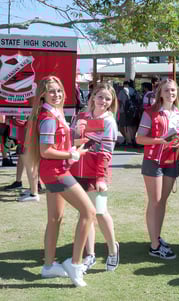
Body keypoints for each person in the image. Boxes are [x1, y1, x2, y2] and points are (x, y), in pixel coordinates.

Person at [25, 75, 96, 287]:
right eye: (51, 91)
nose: (56, 94)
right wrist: (70, 155)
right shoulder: (48, 117)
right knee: (89, 212)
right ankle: (75, 264)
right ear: (43, 94)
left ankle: (48, 266)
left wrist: (74, 145)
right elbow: (46, 151)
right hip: (56, 172)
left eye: (59, 90)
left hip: (53, 171)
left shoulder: (53, 114)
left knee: (55, 219)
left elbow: (56, 143)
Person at [71, 83, 120, 272]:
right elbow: (72, 142)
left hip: (96, 174)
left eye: (108, 98)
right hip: (77, 172)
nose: (103, 101)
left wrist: (101, 177)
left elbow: (106, 152)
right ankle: (89, 254)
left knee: (100, 212)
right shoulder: (81, 115)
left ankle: (112, 249)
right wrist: (76, 133)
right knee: (85, 214)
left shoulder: (109, 121)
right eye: (100, 97)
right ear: (92, 97)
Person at [136, 78, 179, 259]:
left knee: (162, 202)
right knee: (155, 202)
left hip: (171, 160)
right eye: (166, 90)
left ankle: (156, 237)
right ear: (160, 93)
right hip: (153, 160)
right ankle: (155, 246)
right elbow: (139, 138)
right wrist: (160, 140)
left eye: (173, 90)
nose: (170, 93)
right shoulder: (150, 113)